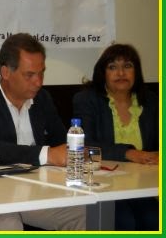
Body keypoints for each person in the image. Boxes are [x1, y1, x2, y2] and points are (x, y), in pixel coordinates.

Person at [0, 33, 85, 231]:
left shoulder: (42, 99)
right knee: (9, 225)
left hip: (37, 189)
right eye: (29, 75)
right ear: (6, 72)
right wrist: (47, 154)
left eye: (41, 73)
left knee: (84, 214)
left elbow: (61, 143)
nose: (38, 82)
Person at [73, 43, 158, 230]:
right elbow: (86, 144)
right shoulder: (87, 100)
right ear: (102, 73)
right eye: (112, 67)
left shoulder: (151, 101)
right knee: (125, 221)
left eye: (127, 66)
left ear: (136, 72)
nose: (121, 73)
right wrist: (129, 153)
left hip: (142, 184)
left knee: (154, 218)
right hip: (103, 183)